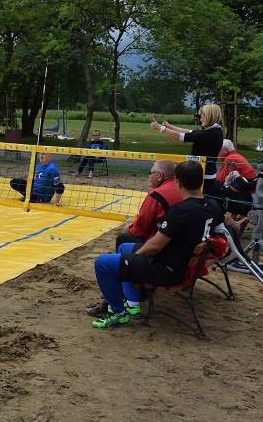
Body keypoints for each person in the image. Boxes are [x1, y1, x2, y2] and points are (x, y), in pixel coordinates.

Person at [91, 160, 224, 329]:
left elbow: (155, 246)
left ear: (178, 182)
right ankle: (132, 304)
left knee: (102, 263)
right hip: (184, 264)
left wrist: (134, 258)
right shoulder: (213, 205)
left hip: (167, 270)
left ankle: (118, 314)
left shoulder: (180, 210)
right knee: (124, 247)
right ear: (201, 181)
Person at [150, 103, 224, 192]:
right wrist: (169, 126)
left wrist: (160, 128)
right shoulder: (214, 131)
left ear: (208, 116)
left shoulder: (211, 134)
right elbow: (189, 132)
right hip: (204, 173)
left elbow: (179, 137)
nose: (200, 119)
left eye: (202, 116)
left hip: (204, 175)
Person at [116, 159, 182, 248]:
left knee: (124, 237)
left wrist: (129, 227)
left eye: (150, 173)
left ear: (160, 176)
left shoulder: (156, 195)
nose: (149, 177)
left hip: (166, 247)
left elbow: (140, 229)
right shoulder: (182, 189)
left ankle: (129, 261)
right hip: (183, 240)